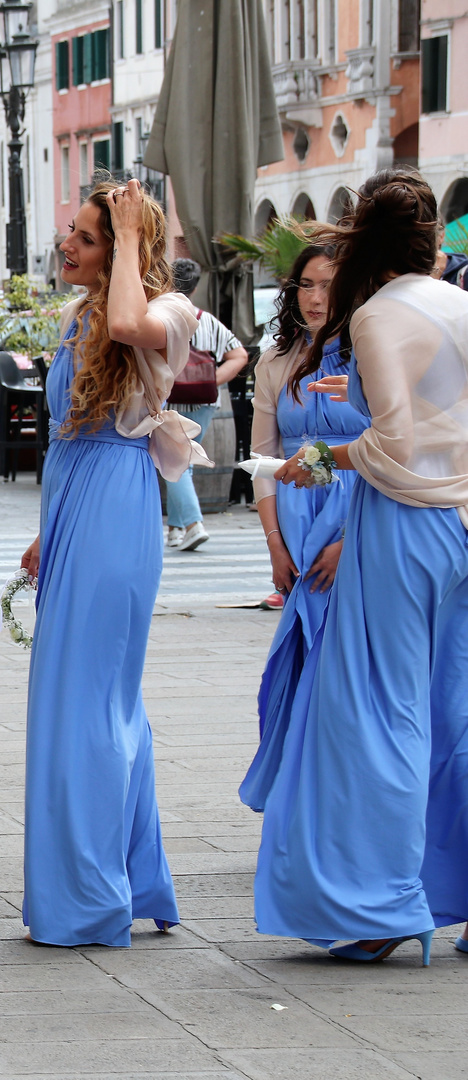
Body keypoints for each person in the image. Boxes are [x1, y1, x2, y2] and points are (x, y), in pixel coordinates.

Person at [256, 168, 468, 964]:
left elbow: (391, 446)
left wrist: (321, 455)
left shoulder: (379, 316)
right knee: (453, 711)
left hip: (405, 523)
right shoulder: (460, 303)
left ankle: (381, 907)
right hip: (462, 522)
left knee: (380, 714)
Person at [18, 179, 202, 946]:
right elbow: (65, 434)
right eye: (74, 231)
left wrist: (128, 237)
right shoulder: (75, 314)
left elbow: (131, 322)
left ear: (127, 247)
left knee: (90, 700)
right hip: (73, 505)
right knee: (84, 699)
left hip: (119, 506)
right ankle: (122, 877)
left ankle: (92, 896)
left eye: (86, 238)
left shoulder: (167, 313)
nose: (68, 244)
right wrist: (43, 531)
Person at [237, 237, 369, 812]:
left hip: (360, 512)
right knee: (297, 658)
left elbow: (391, 448)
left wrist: (356, 539)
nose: (316, 297)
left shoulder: (371, 352)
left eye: (329, 284)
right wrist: (273, 545)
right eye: (306, 284)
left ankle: (340, 800)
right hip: (294, 519)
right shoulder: (276, 359)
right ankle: (300, 795)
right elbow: (262, 459)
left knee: (344, 666)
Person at [162, 258, 249, 551]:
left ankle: (193, 524)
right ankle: (175, 529)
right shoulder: (207, 319)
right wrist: (213, 380)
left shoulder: (160, 316)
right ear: (196, 285)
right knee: (182, 461)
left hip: (170, 402)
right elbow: (239, 356)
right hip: (205, 403)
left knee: (175, 462)